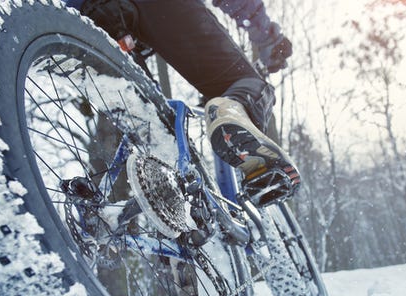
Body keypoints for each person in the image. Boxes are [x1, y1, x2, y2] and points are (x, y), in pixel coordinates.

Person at [65, 0, 300, 205]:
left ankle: (177, 228)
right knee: (247, 85)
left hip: (82, 20)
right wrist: (268, 37)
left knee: (157, 135)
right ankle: (230, 113)